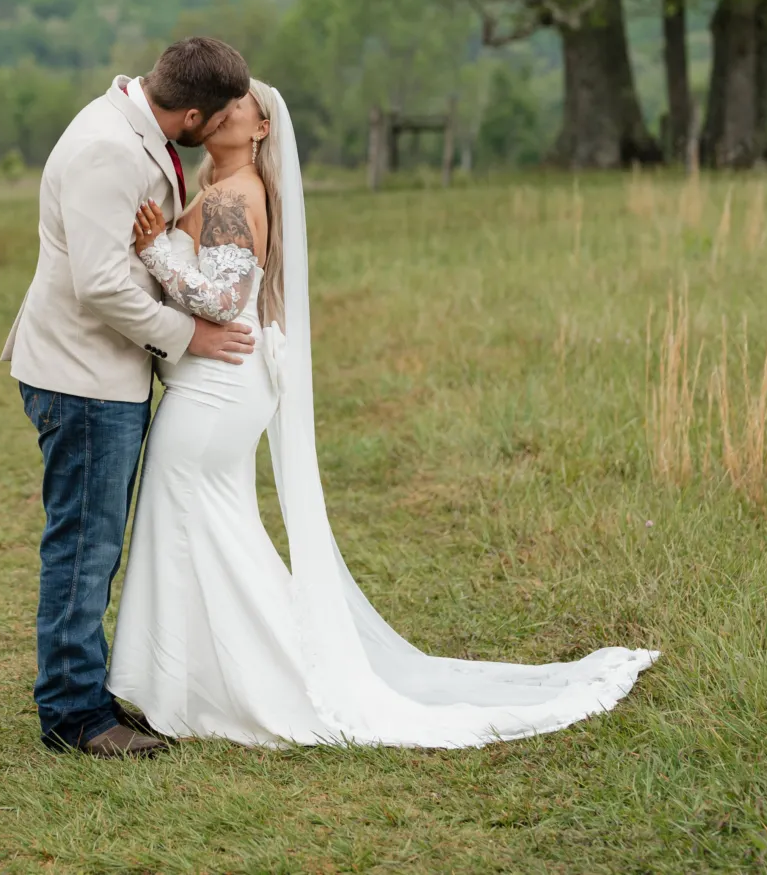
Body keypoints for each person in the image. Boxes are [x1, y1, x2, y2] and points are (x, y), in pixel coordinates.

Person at [107, 79, 657, 746]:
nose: (227, 104)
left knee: (198, 521)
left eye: (244, 101)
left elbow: (225, 300)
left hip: (217, 389)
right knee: (206, 527)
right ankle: (196, 683)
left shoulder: (231, 196)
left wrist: (156, 252)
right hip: (223, 385)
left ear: (260, 128)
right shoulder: (223, 190)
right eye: (222, 97)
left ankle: (247, 683)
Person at [3, 37, 258, 758]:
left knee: (95, 539)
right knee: (84, 545)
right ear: (194, 111)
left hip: (104, 371)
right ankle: (74, 715)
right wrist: (190, 337)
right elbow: (101, 283)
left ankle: (84, 686)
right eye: (221, 116)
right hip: (82, 377)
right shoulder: (106, 149)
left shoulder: (135, 127)